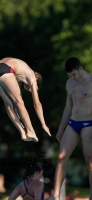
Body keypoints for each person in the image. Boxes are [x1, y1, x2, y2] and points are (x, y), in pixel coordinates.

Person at [47, 57, 92, 200]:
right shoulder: (70, 83)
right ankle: (56, 195)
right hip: (73, 123)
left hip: (89, 123)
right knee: (61, 157)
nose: (72, 78)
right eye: (69, 76)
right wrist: (61, 128)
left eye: (73, 74)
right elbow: (68, 107)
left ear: (80, 69)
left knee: (89, 159)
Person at [0, 57, 51, 142]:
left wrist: (19, 120)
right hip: (5, 69)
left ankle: (22, 131)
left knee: (8, 103)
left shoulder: (19, 74)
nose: (30, 90)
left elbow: (15, 106)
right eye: (34, 88)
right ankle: (30, 131)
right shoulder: (32, 75)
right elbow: (37, 104)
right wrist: (43, 124)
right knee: (19, 102)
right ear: (36, 81)